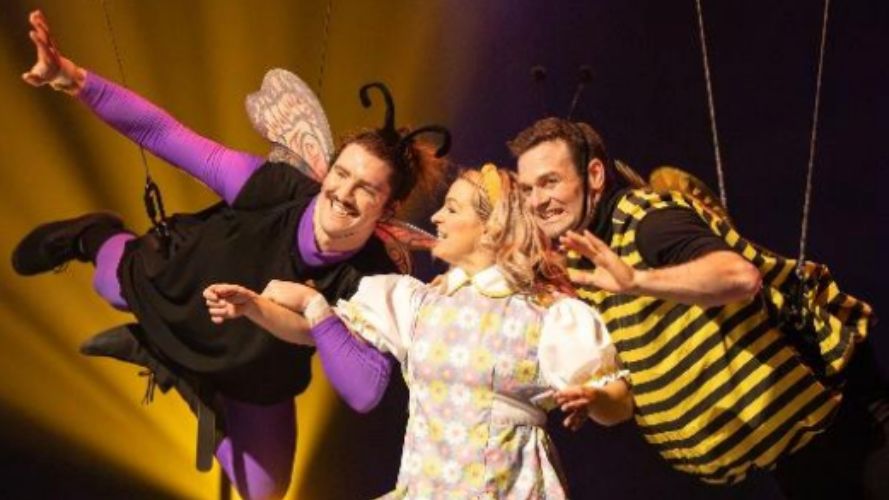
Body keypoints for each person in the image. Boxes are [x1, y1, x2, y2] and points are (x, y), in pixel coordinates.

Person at [12, 10, 446, 499]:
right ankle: (94, 234)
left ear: (388, 208)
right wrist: (71, 78)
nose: (343, 194)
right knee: (108, 285)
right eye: (341, 174)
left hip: (256, 362)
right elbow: (164, 134)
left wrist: (314, 308)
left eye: (366, 189)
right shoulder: (278, 188)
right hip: (185, 286)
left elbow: (366, 392)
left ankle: (183, 377)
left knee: (264, 490)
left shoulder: (372, 274)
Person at [509, 116, 888, 498]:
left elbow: (740, 277)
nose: (537, 200)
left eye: (550, 181)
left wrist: (637, 281)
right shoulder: (586, 261)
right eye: (527, 189)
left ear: (594, 175)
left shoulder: (647, 221)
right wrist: (597, 398)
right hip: (790, 447)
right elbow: (626, 396)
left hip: (844, 420)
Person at [204, 164, 634, 498]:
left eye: (452, 208)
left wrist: (596, 398)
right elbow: (317, 330)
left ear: (492, 227)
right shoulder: (418, 303)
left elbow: (617, 401)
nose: (436, 216)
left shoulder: (548, 315)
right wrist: (258, 307)